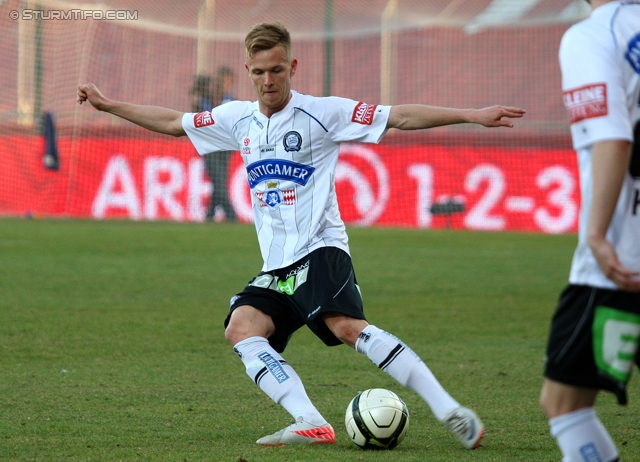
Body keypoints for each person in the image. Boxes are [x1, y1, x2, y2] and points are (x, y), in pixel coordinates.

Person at [77, 22, 525, 448]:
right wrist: (109, 104)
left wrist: (471, 115)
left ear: (291, 67)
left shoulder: (322, 113)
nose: (267, 81)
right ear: (248, 71)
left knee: (347, 327)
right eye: (258, 72)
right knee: (242, 327)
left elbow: (398, 117)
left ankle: (450, 410)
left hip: (320, 249)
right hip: (278, 266)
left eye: (275, 70)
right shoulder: (238, 120)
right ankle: (310, 421)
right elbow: (175, 123)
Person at [539, 1, 640, 461]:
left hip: (622, 265)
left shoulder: (596, 35)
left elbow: (613, 137)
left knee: (564, 404)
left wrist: (597, 235)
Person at [204, 67, 237, 222]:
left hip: (225, 149)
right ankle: (232, 217)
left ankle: (209, 216)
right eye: (222, 80)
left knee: (219, 182)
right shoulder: (205, 100)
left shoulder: (232, 101)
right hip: (209, 147)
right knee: (218, 181)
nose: (224, 84)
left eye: (227, 81)